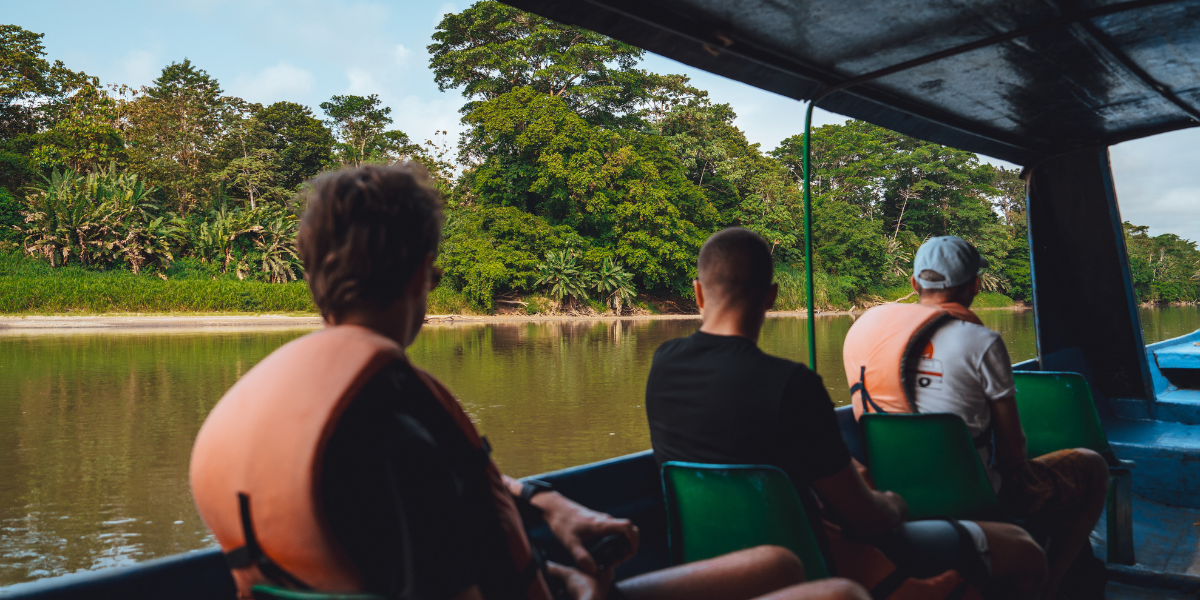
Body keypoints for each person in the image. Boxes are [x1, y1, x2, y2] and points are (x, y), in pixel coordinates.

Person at [190, 164, 868, 600]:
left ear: (310, 270)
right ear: (425, 271)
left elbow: (436, 501)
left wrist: (544, 502)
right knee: (838, 595)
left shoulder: (255, 405)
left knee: (778, 565)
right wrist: (578, 585)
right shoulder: (396, 411)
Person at [646, 227, 1047, 600]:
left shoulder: (662, 365)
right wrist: (895, 502)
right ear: (771, 297)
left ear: (698, 293)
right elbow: (869, 521)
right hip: (823, 571)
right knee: (1024, 548)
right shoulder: (792, 384)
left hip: (713, 568)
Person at [842, 236, 1110, 600]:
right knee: (1092, 466)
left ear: (914, 284)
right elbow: (1014, 453)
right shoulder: (981, 341)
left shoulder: (865, 327)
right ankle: (1048, 585)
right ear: (975, 286)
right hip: (980, 494)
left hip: (891, 487)